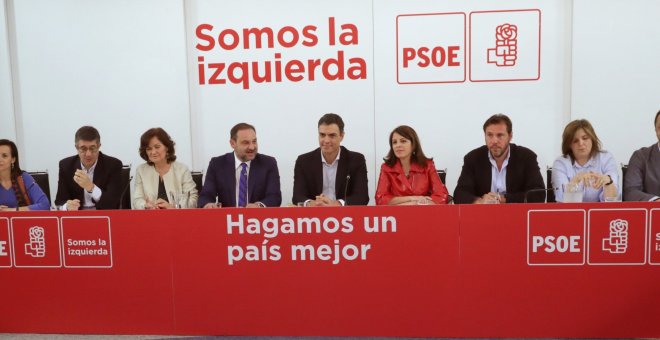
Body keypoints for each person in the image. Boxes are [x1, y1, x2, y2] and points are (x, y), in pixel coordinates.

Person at [454, 114, 545, 204]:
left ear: (510, 136)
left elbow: (538, 194)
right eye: (490, 135)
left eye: (500, 135)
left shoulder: (527, 157)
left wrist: (503, 199)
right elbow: (460, 194)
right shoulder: (473, 158)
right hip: (483, 215)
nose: (494, 141)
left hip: (516, 215)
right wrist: (480, 201)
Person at [292, 113, 369, 206]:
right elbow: (297, 196)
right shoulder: (303, 161)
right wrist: (311, 203)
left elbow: (362, 197)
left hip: (345, 217)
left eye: (332, 135)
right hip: (313, 217)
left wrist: (337, 204)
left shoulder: (356, 160)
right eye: (322, 135)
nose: (326, 140)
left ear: (342, 136)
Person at [199, 123, 281, 208]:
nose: (252, 147)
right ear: (232, 143)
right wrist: (208, 205)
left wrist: (259, 206)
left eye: (254, 141)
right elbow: (206, 195)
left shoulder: (268, 163)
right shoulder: (217, 164)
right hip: (227, 219)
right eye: (246, 143)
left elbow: (274, 197)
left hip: (256, 219)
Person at [375, 126, 449, 205]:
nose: (398, 145)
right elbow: (380, 199)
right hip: (396, 215)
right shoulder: (386, 168)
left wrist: (419, 204)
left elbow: (441, 196)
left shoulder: (428, 165)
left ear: (413, 144)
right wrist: (414, 199)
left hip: (424, 213)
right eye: (394, 142)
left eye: (403, 141)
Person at [54, 126, 123, 210]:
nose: (88, 154)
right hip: (77, 217)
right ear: (76, 147)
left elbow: (113, 203)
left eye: (92, 148)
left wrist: (91, 187)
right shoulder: (66, 166)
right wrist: (67, 206)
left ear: (99, 146)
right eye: (83, 149)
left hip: (103, 215)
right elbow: (59, 201)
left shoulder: (113, 165)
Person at [552, 119, 619, 202]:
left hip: (600, 212)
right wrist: (575, 181)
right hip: (572, 213)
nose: (581, 143)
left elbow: (612, 201)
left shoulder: (606, 158)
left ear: (592, 139)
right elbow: (561, 200)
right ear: (569, 145)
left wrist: (608, 182)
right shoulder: (560, 163)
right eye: (575, 141)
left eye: (585, 138)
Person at [133, 128, 198, 209]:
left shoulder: (182, 169)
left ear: (167, 147)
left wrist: (173, 207)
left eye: (157, 147)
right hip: (150, 218)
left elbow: (193, 199)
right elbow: (137, 200)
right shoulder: (141, 170)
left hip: (177, 219)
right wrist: (146, 206)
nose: (153, 152)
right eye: (149, 149)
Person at [0, 139, 50, 211]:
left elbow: (45, 205)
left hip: (23, 221)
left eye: (4, 156)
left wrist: (11, 211)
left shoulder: (23, 178)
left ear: (13, 159)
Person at [624, 110, 660, 201]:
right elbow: (630, 191)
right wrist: (655, 201)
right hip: (653, 213)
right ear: (655, 130)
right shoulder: (640, 156)